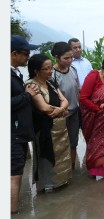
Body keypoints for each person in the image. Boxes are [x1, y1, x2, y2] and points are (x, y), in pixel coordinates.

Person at [27, 54, 72, 191]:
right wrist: (62, 110)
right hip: (44, 128)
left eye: (51, 68)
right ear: (36, 71)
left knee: (61, 155)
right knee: (46, 154)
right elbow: (44, 107)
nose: (50, 71)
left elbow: (65, 100)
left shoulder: (51, 83)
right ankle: (48, 184)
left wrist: (60, 109)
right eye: (46, 69)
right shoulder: (31, 85)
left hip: (60, 128)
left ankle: (61, 181)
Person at [11, 35, 40, 214]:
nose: (28, 57)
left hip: (18, 131)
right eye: (25, 53)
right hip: (11, 131)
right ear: (14, 53)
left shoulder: (15, 72)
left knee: (17, 170)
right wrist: (27, 95)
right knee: (13, 173)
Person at [51, 42, 80, 170]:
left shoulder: (73, 69)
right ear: (57, 58)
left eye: (71, 57)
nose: (70, 61)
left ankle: (72, 167)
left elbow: (77, 89)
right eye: (66, 58)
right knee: (60, 144)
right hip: (61, 114)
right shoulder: (52, 74)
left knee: (73, 142)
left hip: (74, 112)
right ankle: (61, 169)